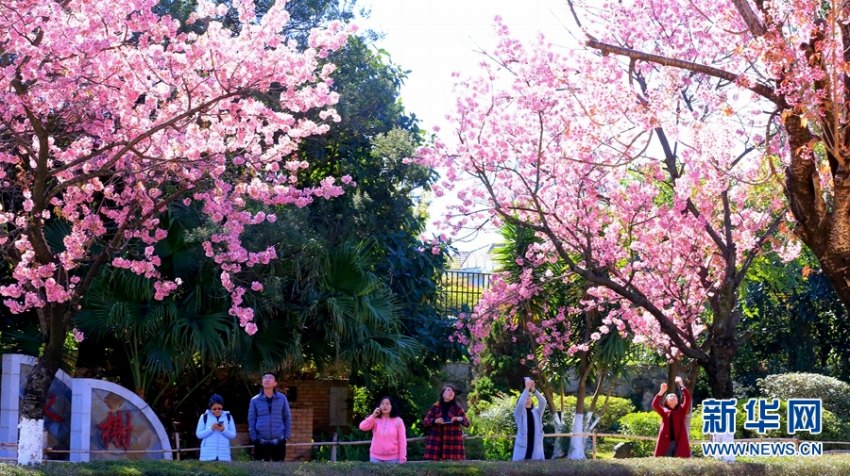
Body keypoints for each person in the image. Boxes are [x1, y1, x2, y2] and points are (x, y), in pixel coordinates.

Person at [248, 372, 292, 461]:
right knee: (261, 468)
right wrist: (254, 438)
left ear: (275, 383)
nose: (267, 379)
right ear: (262, 382)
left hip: (279, 440)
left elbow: (287, 417)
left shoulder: (282, 398)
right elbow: (251, 419)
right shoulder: (255, 400)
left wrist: (286, 436)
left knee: (278, 467)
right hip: (261, 440)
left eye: (270, 378)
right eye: (265, 378)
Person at [423, 385, 470, 460]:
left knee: (452, 465)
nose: (451, 392)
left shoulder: (457, 408)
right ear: (443, 394)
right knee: (435, 465)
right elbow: (425, 422)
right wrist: (435, 421)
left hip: (452, 441)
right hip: (436, 440)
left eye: (453, 391)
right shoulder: (435, 407)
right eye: (448, 390)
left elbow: (467, 423)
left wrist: (459, 418)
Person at [358, 395, 407, 464]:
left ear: (392, 406)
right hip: (375, 458)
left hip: (393, 459)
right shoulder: (375, 419)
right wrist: (373, 416)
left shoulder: (398, 421)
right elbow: (362, 427)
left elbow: (402, 441)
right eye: (382, 404)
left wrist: (402, 458)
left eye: (387, 404)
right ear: (379, 406)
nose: (384, 406)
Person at [652, 376, 691, 458]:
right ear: (667, 401)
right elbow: (655, 405)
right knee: (664, 460)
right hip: (666, 441)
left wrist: (681, 384)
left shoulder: (682, 410)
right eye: (670, 396)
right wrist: (661, 392)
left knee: (680, 461)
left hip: (679, 441)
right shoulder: (664, 411)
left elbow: (687, 398)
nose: (673, 397)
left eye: (675, 396)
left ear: (677, 400)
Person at [513, 377, 546, 461]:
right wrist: (527, 388)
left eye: (529, 396)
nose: (527, 398)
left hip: (536, 449)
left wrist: (533, 390)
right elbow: (521, 404)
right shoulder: (519, 413)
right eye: (525, 397)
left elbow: (543, 402)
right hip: (523, 449)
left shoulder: (537, 412)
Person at [196, 394, 237, 461]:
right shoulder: (204, 417)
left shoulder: (228, 417)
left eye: (219, 408)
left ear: (222, 407)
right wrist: (211, 429)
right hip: (207, 456)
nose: (217, 411)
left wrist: (223, 430)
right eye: (214, 409)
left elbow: (233, 435)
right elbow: (199, 435)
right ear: (210, 408)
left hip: (224, 456)